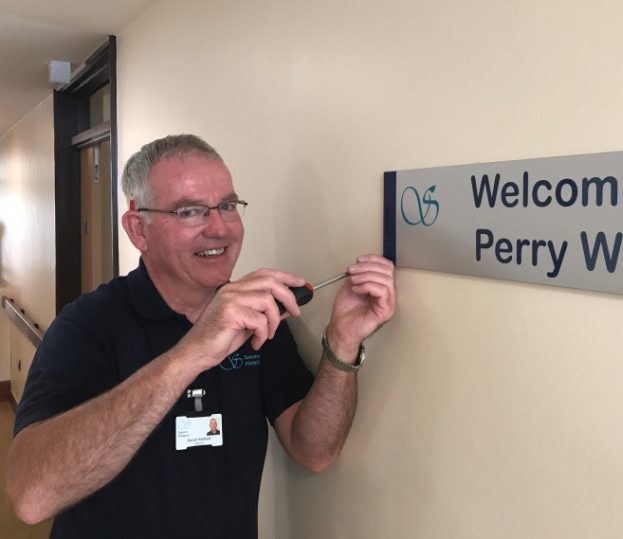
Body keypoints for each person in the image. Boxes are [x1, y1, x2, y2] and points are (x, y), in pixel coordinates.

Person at [6, 134, 396, 538]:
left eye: (227, 206)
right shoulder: (87, 325)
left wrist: (342, 345)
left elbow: (313, 451)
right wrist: (191, 353)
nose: (219, 228)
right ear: (139, 230)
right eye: (189, 211)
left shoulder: (260, 315)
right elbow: (31, 498)